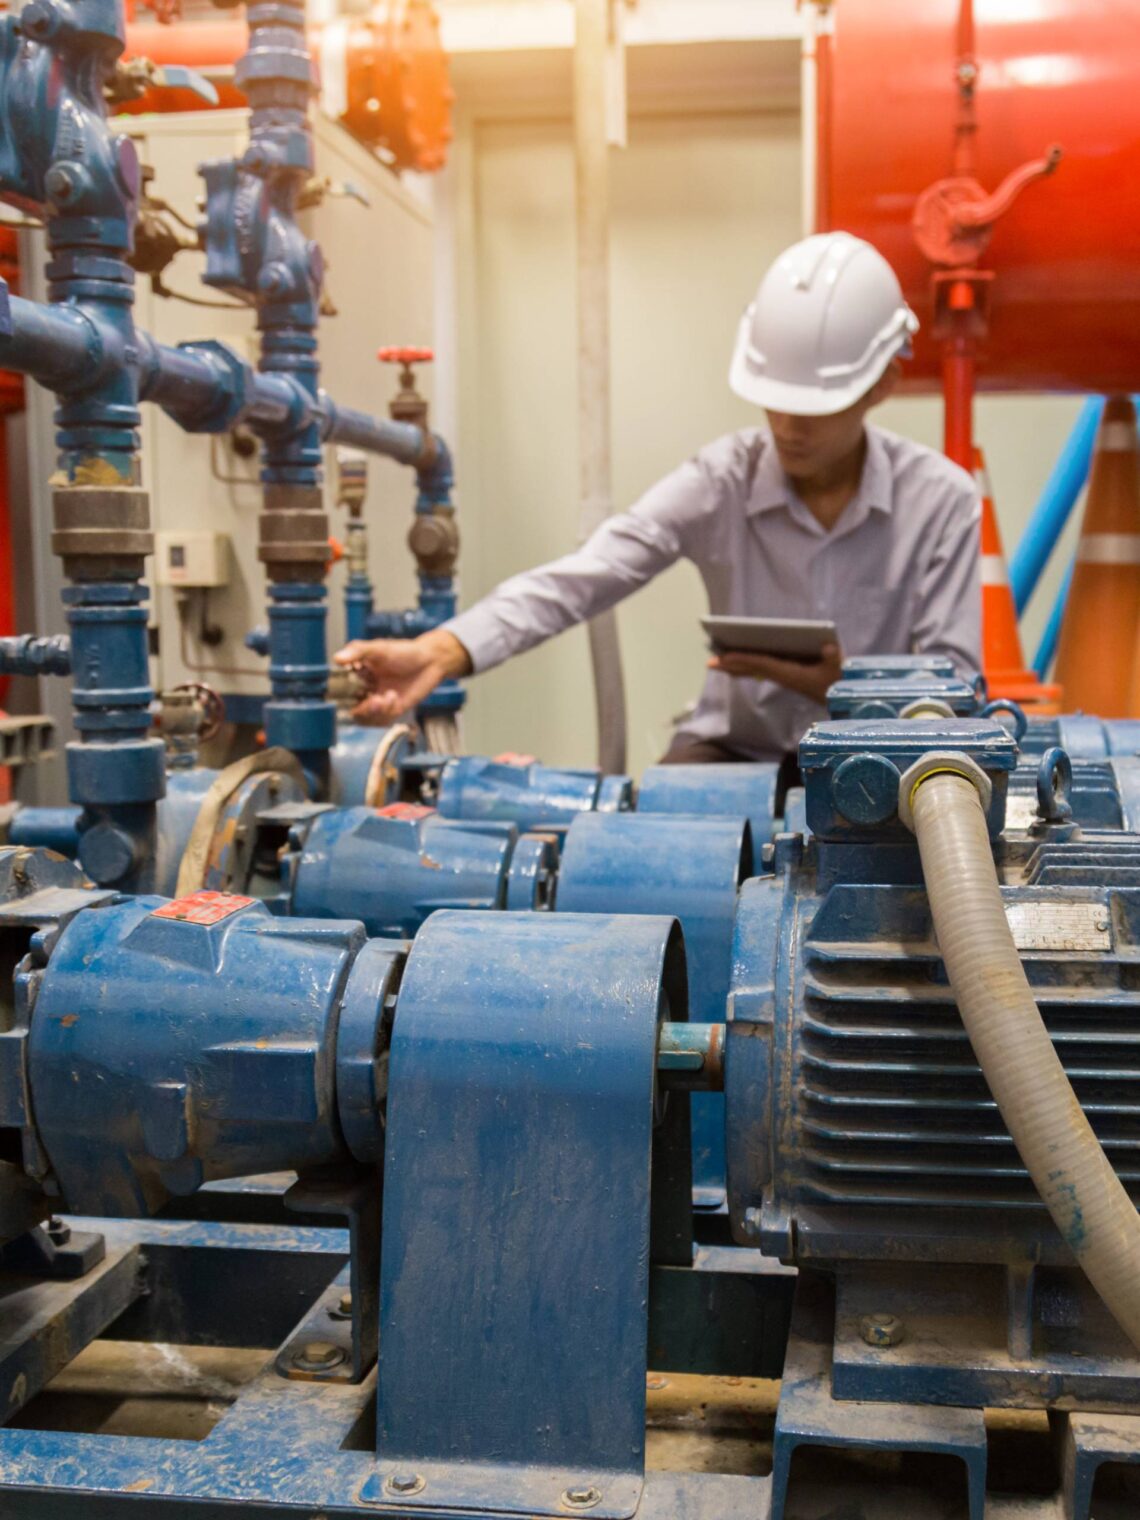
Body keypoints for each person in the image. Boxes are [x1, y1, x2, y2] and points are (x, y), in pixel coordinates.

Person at [335, 232, 981, 765]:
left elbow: (956, 691)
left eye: (815, 407)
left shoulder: (942, 502)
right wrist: (440, 650)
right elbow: (587, 576)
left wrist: (849, 686)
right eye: (774, 400)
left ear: (883, 386)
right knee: (655, 867)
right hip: (731, 750)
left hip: (880, 752)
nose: (788, 426)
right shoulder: (722, 480)